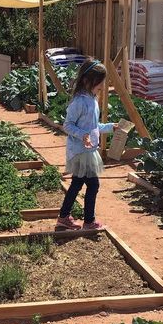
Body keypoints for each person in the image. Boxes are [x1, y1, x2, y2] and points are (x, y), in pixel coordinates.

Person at [56, 59, 118, 231]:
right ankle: (87, 221)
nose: (102, 86)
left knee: (79, 184)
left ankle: (65, 217)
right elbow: (68, 125)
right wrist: (83, 135)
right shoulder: (79, 102)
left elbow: (93, 127)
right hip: (80, 151)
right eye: (99, 83)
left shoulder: (92, 100)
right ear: (87, 81)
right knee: (91, 184)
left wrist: (110, 127)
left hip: (88, 151)